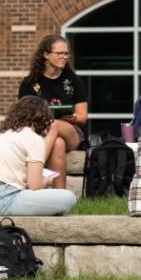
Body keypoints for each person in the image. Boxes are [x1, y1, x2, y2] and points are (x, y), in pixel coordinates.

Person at [17, 35, 87, 189]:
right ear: (46, 55)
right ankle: (60, 196)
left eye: (66, 53)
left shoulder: (73, 80)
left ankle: (34, 170)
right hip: (39, 133)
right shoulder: (29, 83)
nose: (64, 57)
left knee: (53, 124)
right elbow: (22, 118)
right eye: (59, 53)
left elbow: (83, 118)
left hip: (71, 131)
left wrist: (72, 118)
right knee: (58, 144)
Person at [0, 96, 77, 216]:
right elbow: (34, 186)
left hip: (0, 192)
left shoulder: (1, 136)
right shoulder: (34, 139)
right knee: (69, 197)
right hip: (4, 199)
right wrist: (47, 180)